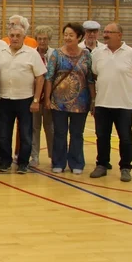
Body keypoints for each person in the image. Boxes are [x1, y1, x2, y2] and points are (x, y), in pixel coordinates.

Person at [89, 22, 132, 182]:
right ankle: (102, 165)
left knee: (125, 138)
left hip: (124, 105)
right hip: (102, 103)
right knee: (102, 136)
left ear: (119, 35)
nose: (105, 35)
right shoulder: (97, 53)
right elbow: (95, 75)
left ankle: (126, 167)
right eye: (105, 32)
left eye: (109, 32)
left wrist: (127, 90)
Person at [0, 24, 46, 173]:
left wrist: (36, 100)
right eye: (12, 36)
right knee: (3, 134)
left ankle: (23, 163)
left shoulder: (32, 54)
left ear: (24, 37)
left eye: (18, 36)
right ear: (8, 37)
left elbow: (40, 77)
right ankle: (5, 161)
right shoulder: (0, 53)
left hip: (25, 99)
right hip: (4, 98)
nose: (15, 38)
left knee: (25, 134)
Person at [44, 22, 94, 175]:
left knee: (77, 133)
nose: (67, 38)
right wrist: (47, 99)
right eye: (65, 35)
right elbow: (49, 78)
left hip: (81, 102)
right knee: (59, 133)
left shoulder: (86, 55)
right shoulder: (56, 54)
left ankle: (77, 162)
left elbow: (90, 79)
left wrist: (93, 99)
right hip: (59, 102)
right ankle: (58, 162)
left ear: (79, 37)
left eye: (71, 35)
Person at [32, 25, 55, 167]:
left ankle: (53, 156)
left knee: (50, 128)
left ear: (49, 39)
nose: (42, 41)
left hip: (50, 98)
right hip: (34, 96)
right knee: (34, 128)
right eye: (39, 39)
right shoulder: (31, 54)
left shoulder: (54, 54)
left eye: (45, 39)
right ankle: (34, 156)